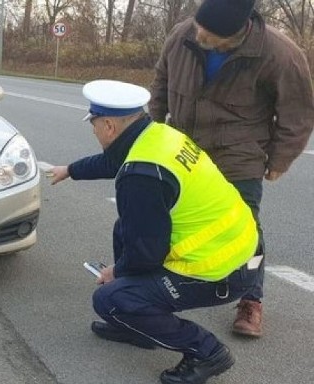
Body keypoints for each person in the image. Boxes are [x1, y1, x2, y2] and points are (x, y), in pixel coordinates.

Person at [50, 79, 262, 384]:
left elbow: (147, 253)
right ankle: (137, 326)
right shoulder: (158, 135)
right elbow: (113, 161)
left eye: (93, 124)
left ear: (109, 125)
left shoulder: (141, 176)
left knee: (110, 299)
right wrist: (70, 170)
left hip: (221, 269)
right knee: (124, 229)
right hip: (241, 247)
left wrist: (115, 271)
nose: (93, 130)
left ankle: (206, 351)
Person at [148, 0, 314, 337]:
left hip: (238, 159)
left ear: (241, 30)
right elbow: (160, 89)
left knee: (247, 235)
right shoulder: (182, 37)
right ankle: (160, 290)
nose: (201, 36)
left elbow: (298, 114)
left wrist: (280, 160)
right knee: (171, 221)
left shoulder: (279, 54)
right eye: (200, 28)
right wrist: (152, 137)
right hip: (185, 155)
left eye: (212, 35)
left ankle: (251, 300)